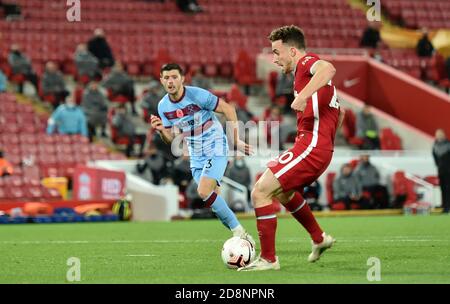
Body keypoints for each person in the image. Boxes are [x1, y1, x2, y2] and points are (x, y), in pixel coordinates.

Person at [238, 25, 345, 271]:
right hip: (315, 145)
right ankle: (319, 238)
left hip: (312, 145)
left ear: (293, 51)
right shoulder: (304, 76)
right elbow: (341, 113)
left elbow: (329, 68)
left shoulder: (307, 63)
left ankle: (269, 259)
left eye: (277, 52)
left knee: (260, 192)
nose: (275, 59)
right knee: (284, 193)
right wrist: (326, 141)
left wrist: (304, 96)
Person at [150, 63, 255, 247]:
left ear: (182, 78)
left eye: (174, 77)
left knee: (204, 190)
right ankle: (239, 236)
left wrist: (236, 140)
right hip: (195, 154)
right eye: (166, 78)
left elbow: (228, 109)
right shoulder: (163, 106)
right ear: (161, 80)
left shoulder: (196, 94)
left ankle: (242, 234)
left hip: (216, 145)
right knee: (213, 200)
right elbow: (171, 139)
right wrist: (161, 131)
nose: (170, 81)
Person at [432, 129, 450, 214]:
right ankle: (445, 206)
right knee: (443, 189)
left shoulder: (448, 145)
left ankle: (448, 206)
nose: (438, 136)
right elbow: (435, 159)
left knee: (448, 189)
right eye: (437, 134)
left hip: (449, 170)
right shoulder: (435, 146)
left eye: (440, 134)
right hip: (441, 171)